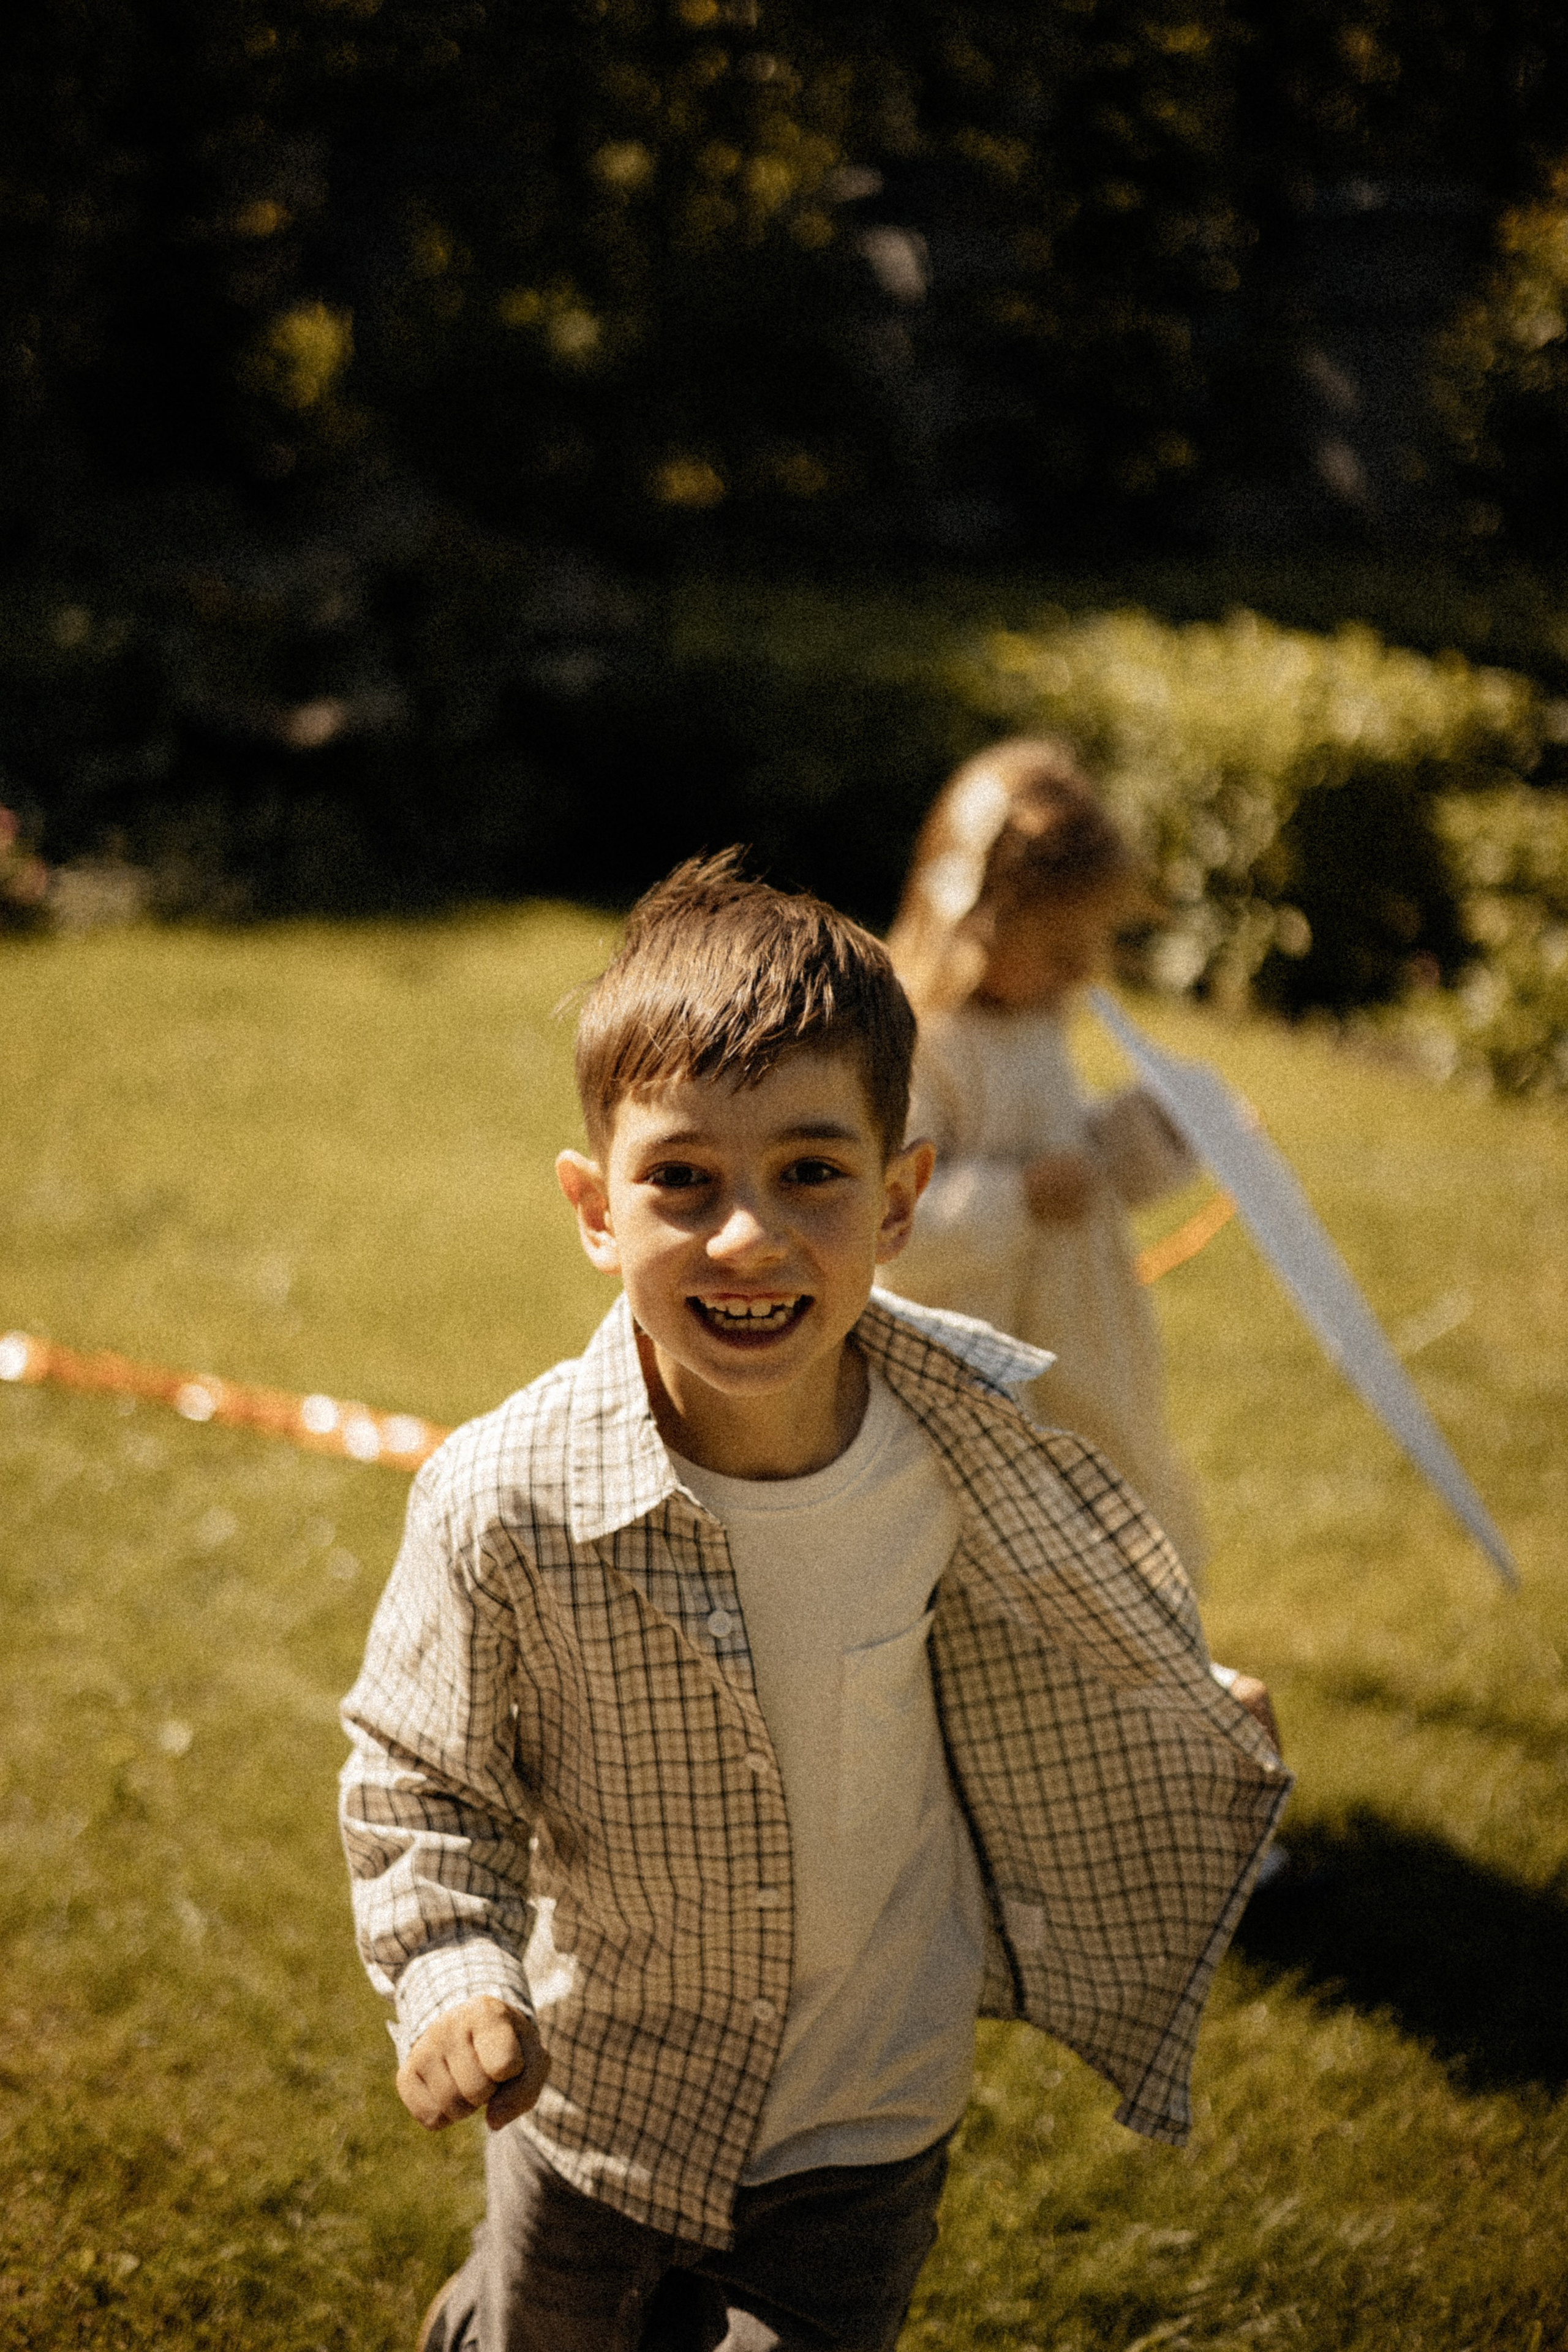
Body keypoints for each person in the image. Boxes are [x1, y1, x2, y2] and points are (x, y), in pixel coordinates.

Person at [339, 851, 1288, 2352]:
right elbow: (419, 1780)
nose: (747, 1237)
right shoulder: (500, 1502)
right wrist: (458, 1977)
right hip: (597, 2102)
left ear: (902, 1195)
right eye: (681, 1181)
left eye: (809, 1173)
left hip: (869, 2115)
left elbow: (1027, 1643)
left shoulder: (966, 1434)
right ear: (595, 1207)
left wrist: (1167, 1695)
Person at [883, 737, 1207, 1577]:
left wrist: (1156, 1137)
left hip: (1081, 1326)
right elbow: (889, 1227)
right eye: (1061, 951)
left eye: (1090, 949)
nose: (1081, 975)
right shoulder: (921, 1044)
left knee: (1114, 1484)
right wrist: (1018, 1197)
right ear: (975, 920)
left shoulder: (1036, 1026)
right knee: (1014, 1542)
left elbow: (1076, 1161)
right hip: (983, 1353)